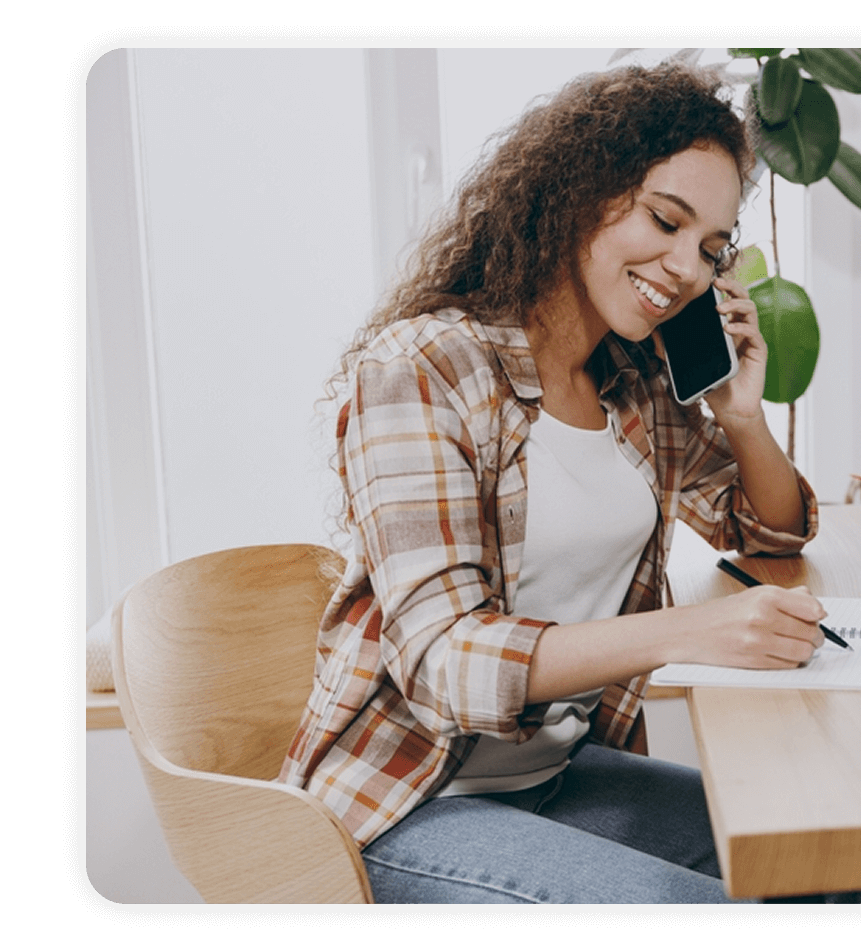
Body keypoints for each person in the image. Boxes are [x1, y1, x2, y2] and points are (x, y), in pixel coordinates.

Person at [277, 61, 827, 903]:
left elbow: (767, 530)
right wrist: (689, 631)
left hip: (554, 778)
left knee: (830, 849)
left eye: (710, 249)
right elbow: (443, 659)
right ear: (580, 190)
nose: (684, 266)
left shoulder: (632, 382)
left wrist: (741, 413)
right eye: (664, 219)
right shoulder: (424, 367)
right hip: (407, 804)